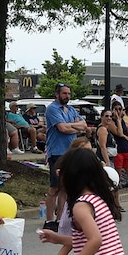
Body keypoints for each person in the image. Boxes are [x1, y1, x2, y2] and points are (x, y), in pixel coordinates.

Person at [44, 83, 88, 230]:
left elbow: (84, 125)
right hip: (56, 152)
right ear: (57, 94)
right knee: (54, 188)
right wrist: (73, 126)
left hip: (70, 153)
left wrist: (71, 126)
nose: (67, 96)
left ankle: (60, 219)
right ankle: (49, 220)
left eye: (68, 94)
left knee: (65, 188)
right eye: (64, 93)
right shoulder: (52, 109)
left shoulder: (71, 110)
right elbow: (62, 128)